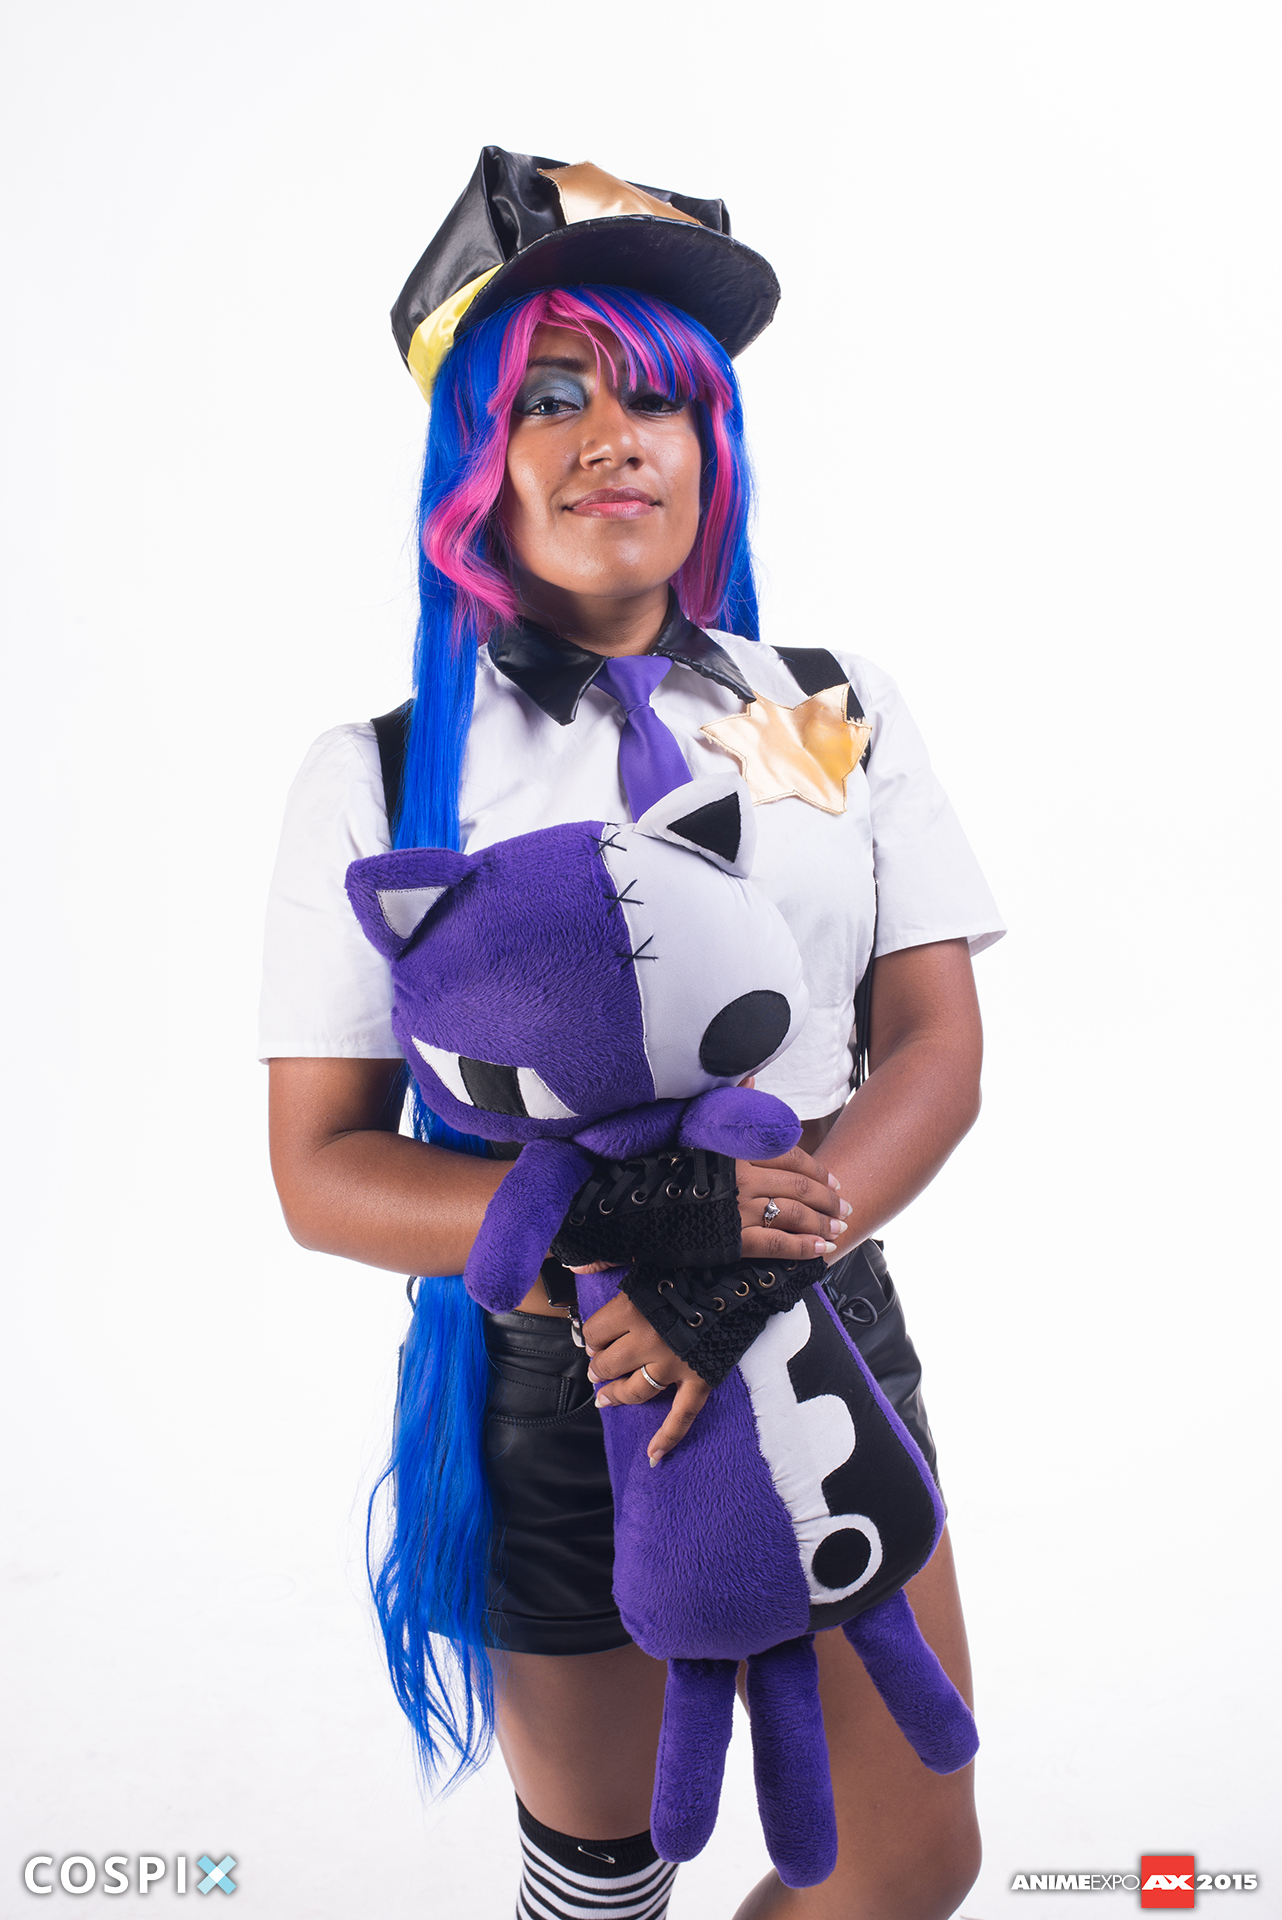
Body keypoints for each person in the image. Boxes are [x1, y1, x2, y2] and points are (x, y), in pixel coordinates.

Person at [261, 148, 1004, 1920]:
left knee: (910, 1862)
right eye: (552, 400)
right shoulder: (383, 772)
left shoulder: (815, 713)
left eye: (656, 399)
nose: (615, 440)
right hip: (560, 1367)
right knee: (607, 1874)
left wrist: (749, 1260)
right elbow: (320, 1173)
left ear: (708, 444)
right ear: (476, 461)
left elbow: (932, 1051)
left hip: (819, 1332)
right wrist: (620, 1237)